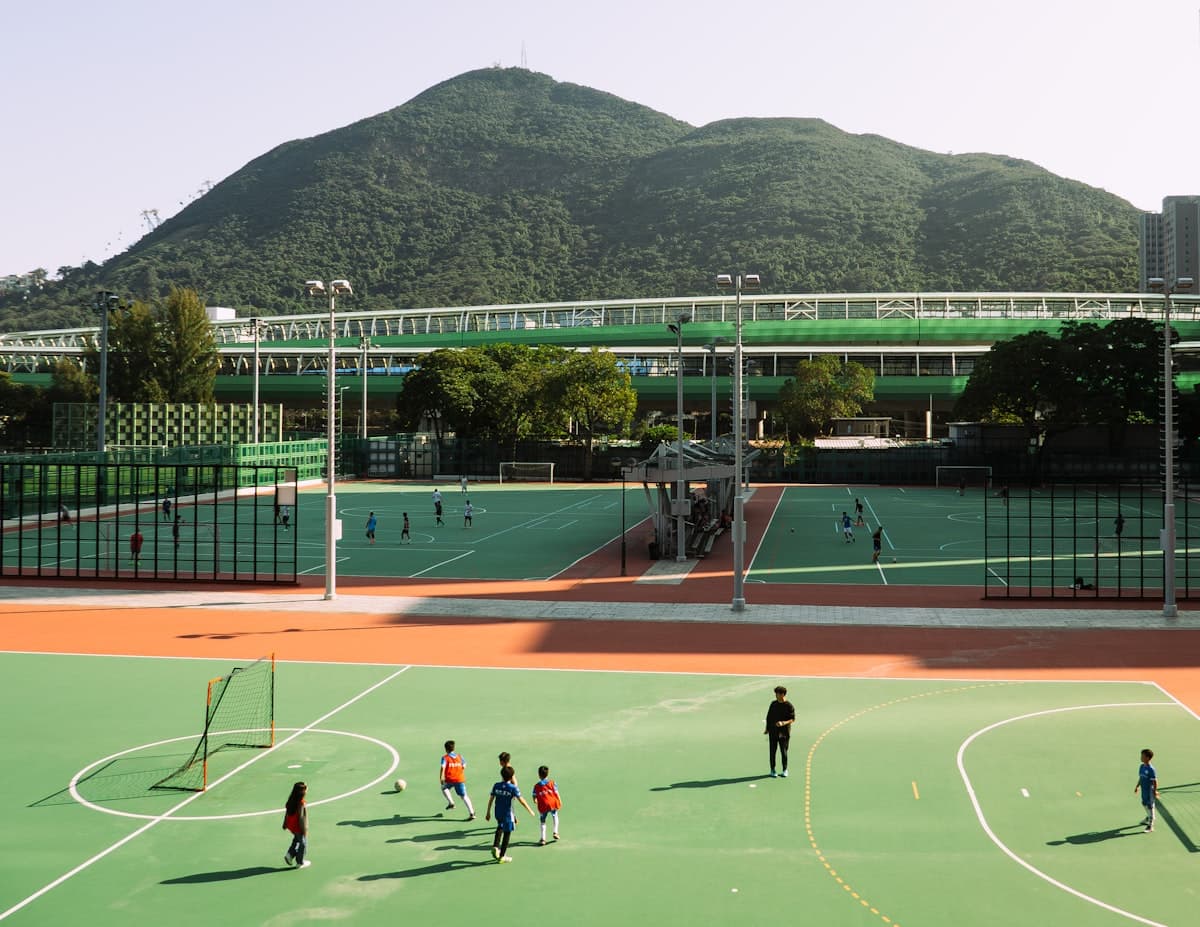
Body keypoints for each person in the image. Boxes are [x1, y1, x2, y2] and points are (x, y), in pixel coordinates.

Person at [485, 765, 534, 863]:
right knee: (507, 834)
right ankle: (502, 856)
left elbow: (491, 799)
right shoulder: (512, 788)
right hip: (508, 814)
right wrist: (530, 810)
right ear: (511, 777)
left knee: (500, 826)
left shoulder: (496, 785)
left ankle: (495, 846)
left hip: (497, 812)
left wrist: (488, 812)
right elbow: (521, 800)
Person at [439, 740, 476, 820]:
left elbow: (442, 767)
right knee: (464, 796)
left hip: (449, 779)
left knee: (443, 787)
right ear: (453, 748)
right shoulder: (459, 756)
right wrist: (458, 771)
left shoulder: (445, 758)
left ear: (446, 749)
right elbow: (464, 765)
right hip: (459, 779)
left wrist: (441, 777)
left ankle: (451, 802)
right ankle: (472, 813)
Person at [764, 685, 795, 778]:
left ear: (782, 694)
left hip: (784, 733)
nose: (776, 695)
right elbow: (769, 717)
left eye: (777, 694)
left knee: (783, 752)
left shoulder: (789, 706)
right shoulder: (773, 704)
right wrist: (767, 728)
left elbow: (792, 719)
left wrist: (783, 723)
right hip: (773, 731)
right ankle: (772, 769)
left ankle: (785, 770)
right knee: (772, 751)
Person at [282, 781, 311, 868]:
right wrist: (304, 830)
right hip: (297, 826)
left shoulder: (291, 800)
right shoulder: (301, 803)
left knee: (296, 839)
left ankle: (290, 855)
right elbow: (301, 818)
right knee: (303, 843)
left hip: (291, 824)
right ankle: (300, 862)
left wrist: (285, 823)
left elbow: (287, 813)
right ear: (302, 792)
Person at [532, 765, 562, 845]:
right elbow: (556, 793)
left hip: (543, 805)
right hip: (552, 803)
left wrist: (535, 800)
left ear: (539, 775)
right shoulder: (552, 783)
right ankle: (555, 832)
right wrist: (559, 800)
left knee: (542, 821)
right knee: (555, 816)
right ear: (547, 774)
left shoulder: (536, 786)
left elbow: (534, 795)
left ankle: (543, 839)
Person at [1135, 748, 1158, 833]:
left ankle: (1151, 825)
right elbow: (1141, 777)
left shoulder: (1151, 769)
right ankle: (1149, 817)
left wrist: (1154, 791)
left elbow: (1155, 781)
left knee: (1150, 806)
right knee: (1144, 803)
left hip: (1149, 791)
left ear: (1148, 758)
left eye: (1142, 756)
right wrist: (1137, 786)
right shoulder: (1141, 766)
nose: (1141, 757)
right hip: (1143, 789)